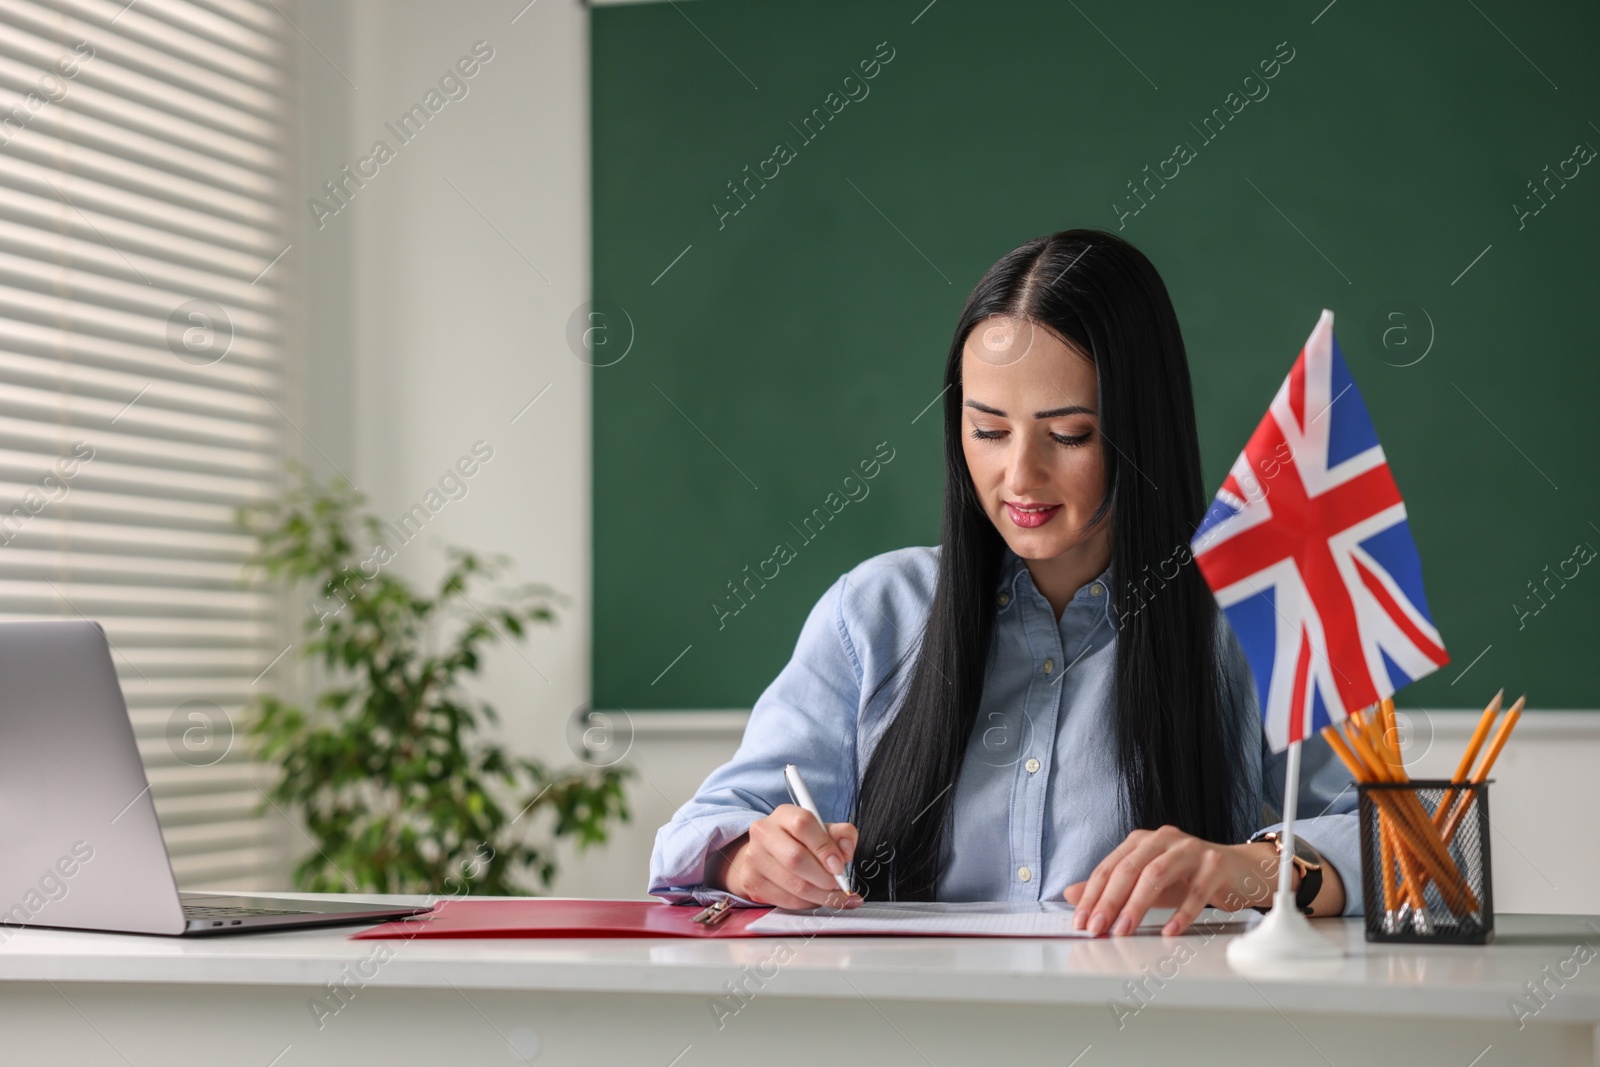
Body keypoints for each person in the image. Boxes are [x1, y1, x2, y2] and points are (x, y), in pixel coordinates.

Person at [648, 229, 1360, 936]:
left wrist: (1259, 868)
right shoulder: (874, 616)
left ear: (1142, 429)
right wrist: (746, 858)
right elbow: (702, 831)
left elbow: (1424, 848)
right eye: (988, 430)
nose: (1020, 476)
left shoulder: (1251, 617)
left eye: (1070, 434)